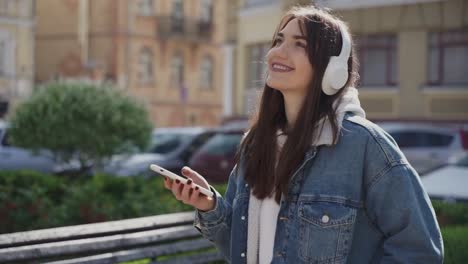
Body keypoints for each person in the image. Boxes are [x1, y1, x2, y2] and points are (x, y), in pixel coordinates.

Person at [163, 5, 443, 264]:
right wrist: (210, 205)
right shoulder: (256, 143)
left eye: (300, 44)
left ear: (332, 69)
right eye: (278, 41)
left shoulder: (365, 146)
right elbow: (239, 247)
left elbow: (420, 251)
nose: (278, 52)